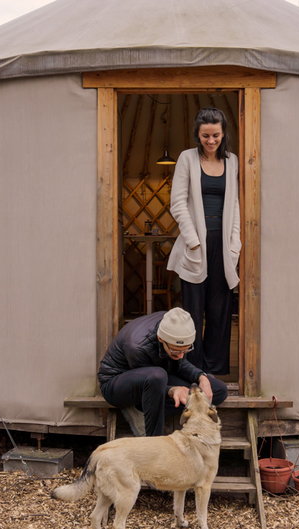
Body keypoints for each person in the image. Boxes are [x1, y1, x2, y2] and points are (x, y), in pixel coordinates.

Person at [166, 107, 241, 375]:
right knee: (194, 309)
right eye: (206, 136)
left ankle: (217, 367)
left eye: (216, 136)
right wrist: (193, 240)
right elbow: (177, 203)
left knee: (221, 308)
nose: (211, 141)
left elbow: (235, 205)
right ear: (198, 135)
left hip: (222, 244)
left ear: (223, 134)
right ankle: (192, 366)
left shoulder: (232, 161)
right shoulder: (187, 158)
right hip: (195, 243)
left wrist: (235, 244)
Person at [98, 307, 228, 437]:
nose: (181, 356)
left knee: (217, 390)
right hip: (118, 383)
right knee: (157, 376)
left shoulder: (175, 323)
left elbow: (180, 364)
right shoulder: (137, 346)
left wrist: (201, 377)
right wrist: (172, 390)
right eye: (176, 351)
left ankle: (144, 408)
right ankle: (154, 439)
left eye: (186, 350)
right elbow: (150, 382)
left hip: (157, 376)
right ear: (161, 339)